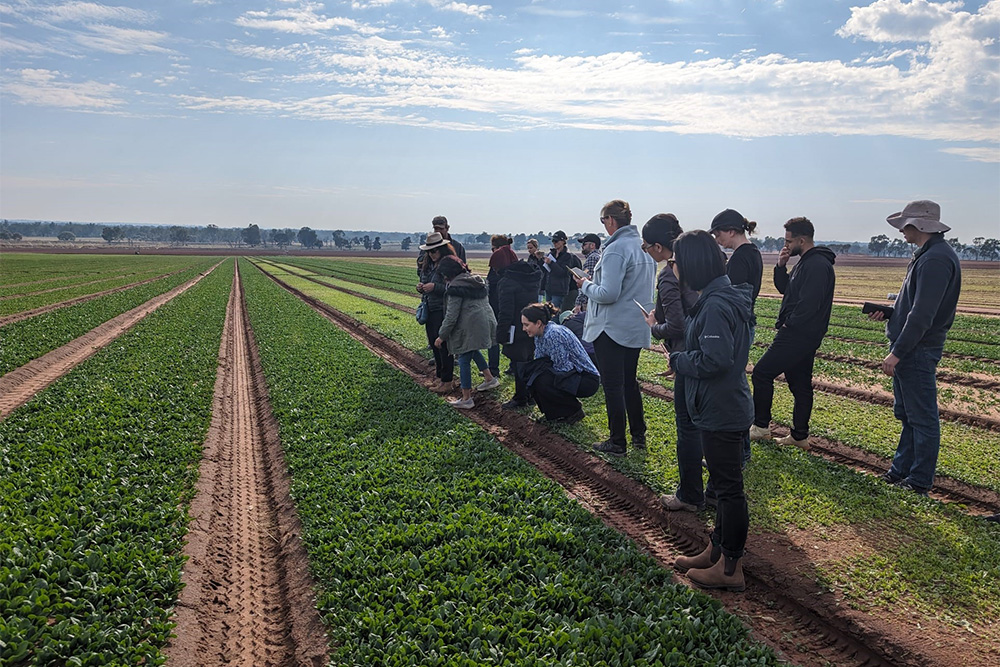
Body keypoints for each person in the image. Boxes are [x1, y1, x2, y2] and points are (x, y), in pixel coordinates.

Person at [668, 230, 754, 592]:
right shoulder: (721, 296)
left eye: (677, 261)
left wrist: (678, 359)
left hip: (721, 409)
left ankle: (730, 568)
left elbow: (715, 359)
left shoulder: (717, 305)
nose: (674, 268)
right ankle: (716, 551)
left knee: (728, 490)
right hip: (723, 405)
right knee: (722, 486)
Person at [869, 200, 961, 496]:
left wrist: (897, 353)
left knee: (922, 417)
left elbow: (923, 315)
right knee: (908, 414)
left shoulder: (936, 259)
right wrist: (892, 311)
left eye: (905, 225)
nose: (902, 231)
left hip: (916, 350)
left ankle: (919, 481)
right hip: (913, 348)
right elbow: (914, 305)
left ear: (918, 226)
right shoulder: (928, 255)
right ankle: (900, 472)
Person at [575, 199, 657, 457]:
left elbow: (608, 293)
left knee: (613, 385)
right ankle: (638, 434)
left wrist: (585, 284)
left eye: (603, 221)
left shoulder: (615, 250)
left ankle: (617, 441)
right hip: (635, 324)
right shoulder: (642, 247)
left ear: (610, 220)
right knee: (630, 382)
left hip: (610, 328)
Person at [749, 217, 836, 449]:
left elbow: (810, 304)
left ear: (802, 239)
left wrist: (789, 325)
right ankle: (799, 437)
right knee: (800, 385)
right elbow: (787, 291)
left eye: (788, 241)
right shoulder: (805, 263)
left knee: (762, 373)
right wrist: (780, 266)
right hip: (802, 334)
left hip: (798, 334)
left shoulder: (817, 265)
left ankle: (760, 427)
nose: (785, 245)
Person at [640, 214, 702, 511]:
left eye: (646, 246)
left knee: (687, 426)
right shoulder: (703, 263)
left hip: (686, 357)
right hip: (709, 352)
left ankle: (690, 494)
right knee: (708, 424)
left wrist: (653, 326)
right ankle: (712, 490)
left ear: (656, 246)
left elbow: (675, 325)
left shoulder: (669, 273)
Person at [710, 209, 763, 467]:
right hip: (744, 324)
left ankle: (739, 454)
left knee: (732, 387)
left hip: (737, 326)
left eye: (719, 234)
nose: (718, 239)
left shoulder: (742, 257)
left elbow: (733, 298)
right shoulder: (752, 253)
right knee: (736, 384)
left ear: (731, 231)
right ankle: (741, 452)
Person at [434, 257, 499, 409]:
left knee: (463, 357)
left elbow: (451, 316)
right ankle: (490, 378)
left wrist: (441, 336)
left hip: (471, 325)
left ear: (447, 274)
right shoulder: (474, 280)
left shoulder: (455, 288)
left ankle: (466, 398)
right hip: (486, 321)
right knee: (472, 350)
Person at [520, 303, 600, 423]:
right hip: (573, 373)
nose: (524, 329)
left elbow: (564, 367)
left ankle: (574, 411)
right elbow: (540, 359)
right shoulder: (540, 333)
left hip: (587, 379)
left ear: (538, 323)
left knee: (543, 381)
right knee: (535, 377)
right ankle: (555, 413)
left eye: (526, 325)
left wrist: (542, 375)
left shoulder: (553, 334)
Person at [496, 258, 542, 408]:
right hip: (532, 325)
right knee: (528, 360)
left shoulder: (508, 282)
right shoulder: (532, 278)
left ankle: (521, 398)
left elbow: (506, 311)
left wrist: (501, 333)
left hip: (515, 328)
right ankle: (530, 396)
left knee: (518, 364)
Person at [417, 232, 457, 393]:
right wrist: (420, 287)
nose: (431, 254)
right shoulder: (428, 264)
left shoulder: (449, 265)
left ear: (442, 249)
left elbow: (453, 288)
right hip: (430, 307)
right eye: (429, 251)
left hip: (443, 308)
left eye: (434, 251)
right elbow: (423, 279)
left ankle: (447, 381)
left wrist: (435, 288)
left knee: (444, 345)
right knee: (434, 343)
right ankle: (440, 378)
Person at [487, 235, 517, 378]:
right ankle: (513, 366)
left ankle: (493, 369)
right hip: (512, 303)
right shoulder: (512, 256)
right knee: (511, 333)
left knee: (494, 336)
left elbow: (491, 280)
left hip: (497, 302)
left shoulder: (499, 260)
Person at [543, 230, 582, 310]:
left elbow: (564, 272)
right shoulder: (551, 254)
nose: (554, 243)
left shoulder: (567, 256)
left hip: (559, 290)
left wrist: (551, 263)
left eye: (556, 241)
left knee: (555, 313)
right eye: (553, 241)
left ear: (563, 241)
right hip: (549, 288)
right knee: (547, 312)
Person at [573, 233, 603, 313]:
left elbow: (586, 281)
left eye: (584, 244)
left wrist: (579, 302)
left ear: (592, 245)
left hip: (588, 300)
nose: (582, 247)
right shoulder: (599, 256)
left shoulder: (592, 258)